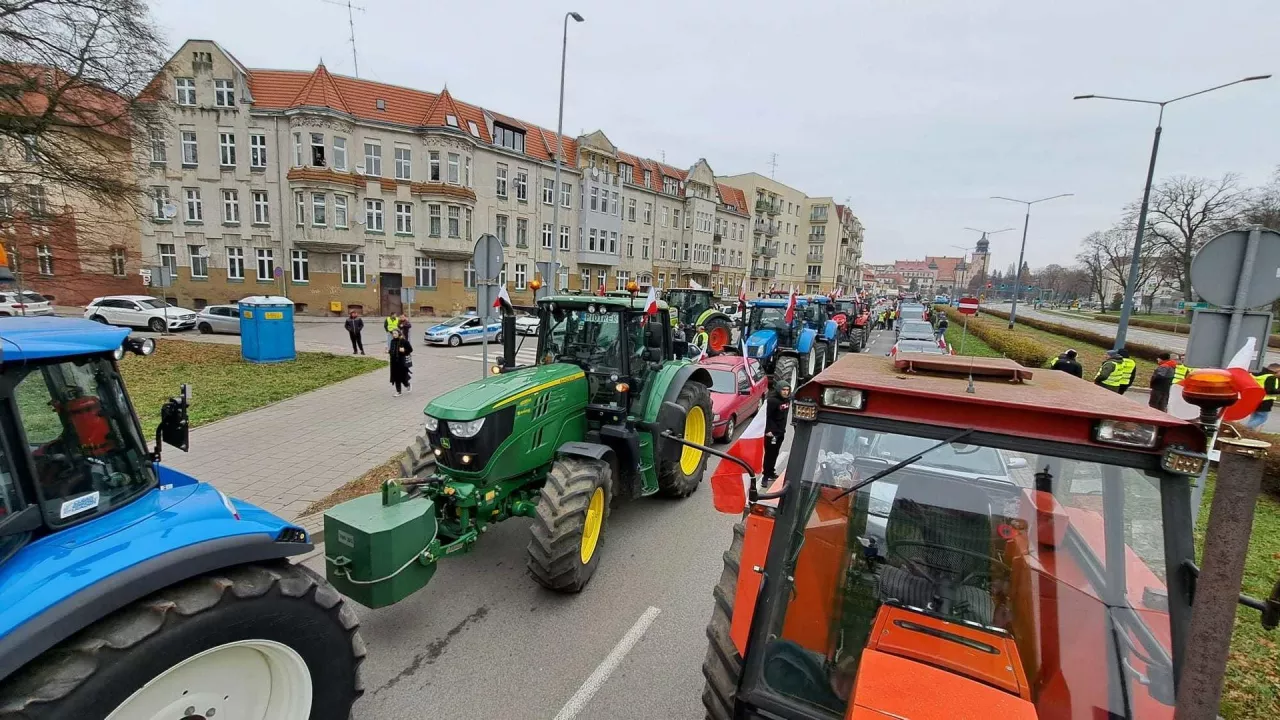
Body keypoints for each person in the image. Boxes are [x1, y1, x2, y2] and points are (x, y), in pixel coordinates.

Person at [763, 384, 791, 481]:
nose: (786, 392)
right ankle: (765, 476)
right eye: (783, 390)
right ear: (779, 390)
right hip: (771, 434)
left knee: (775, 453)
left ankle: (771, 472)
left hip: (780, 432)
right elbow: (767, 416)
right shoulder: (772, 401)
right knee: (769, 455)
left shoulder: (787, 400)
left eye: (787, 390)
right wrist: (768, 430)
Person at [1244, 363, 1280, 430]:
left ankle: (1249, 432)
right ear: (1276, 370)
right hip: (1265, 401)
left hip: (1253, 399)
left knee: (1254, 417)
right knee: (1262, 418)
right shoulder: (1270, 377)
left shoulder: (1256, 373)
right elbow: (1269, 391)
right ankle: (1246, 429)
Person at [388, 329, 413, 396]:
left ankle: (407, 385)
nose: (394, 335)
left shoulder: (404, 341)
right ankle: (398, 392)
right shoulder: (392, 341)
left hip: (402, 362)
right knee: (396, 377)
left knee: (403, 377)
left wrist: (404, 350)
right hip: (394, 363)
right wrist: (388, 351)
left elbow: (410, 349)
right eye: (393, 334)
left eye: (395, 333)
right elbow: (392, 351)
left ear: (399, 333)